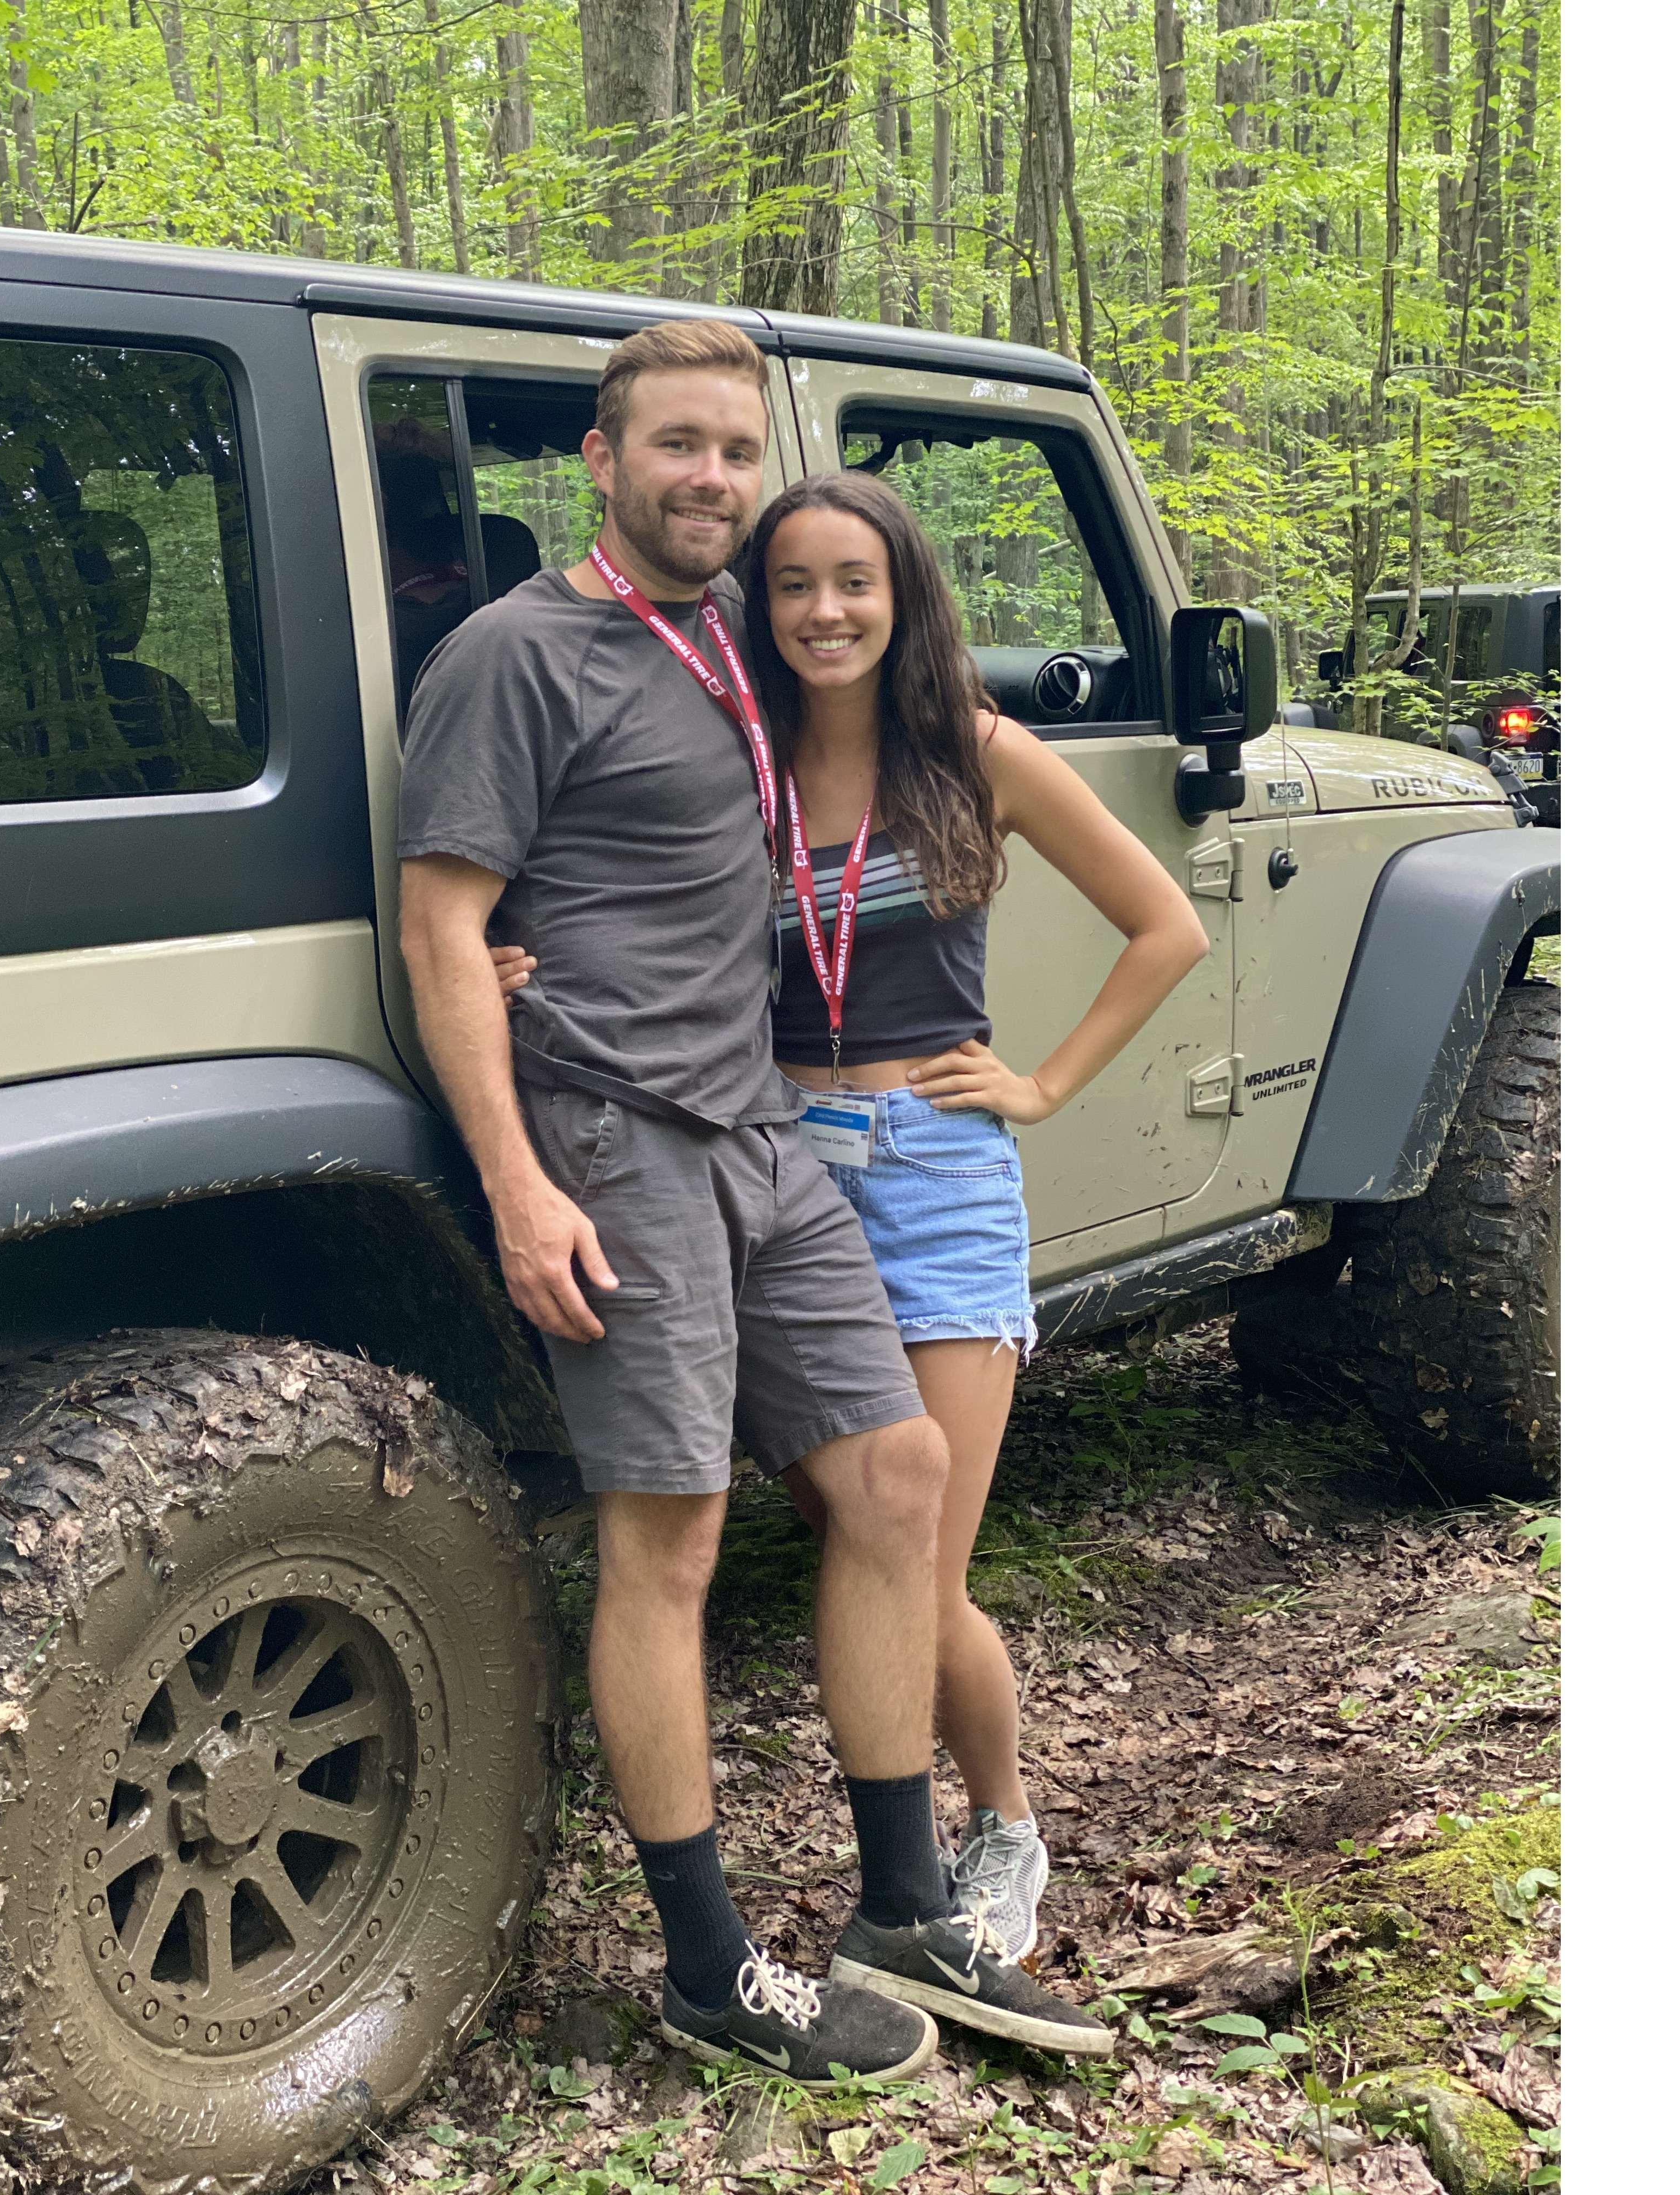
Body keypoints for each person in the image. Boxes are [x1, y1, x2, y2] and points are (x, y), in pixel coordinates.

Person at [396, 319, 1113, 2086]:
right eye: (677, 449)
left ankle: (898, 1907)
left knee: (895, 1476)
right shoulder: (515, 657)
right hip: (617, 1137)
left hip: (765, 1133)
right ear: (601, 460)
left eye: (734, 450)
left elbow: (872, 684)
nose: (709, 479)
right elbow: (440, 927)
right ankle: (713, 1969)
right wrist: (514, 1177)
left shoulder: (751, 633)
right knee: (673, 1539)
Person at [496, 468, 1210, 1970]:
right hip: (769, 1169)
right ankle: (891, 1866)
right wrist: (520, 962)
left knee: (925, 1563)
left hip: (933, 1172)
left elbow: (1169, 923)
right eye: (799, 585)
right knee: (856, 1532)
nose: (828, 612)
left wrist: (1043, 1086)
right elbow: (633, 914)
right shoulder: (729, 761)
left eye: (857, 584)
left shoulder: (979, 754)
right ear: (766, 607)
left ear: (904, 601)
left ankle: (1001, 1825)